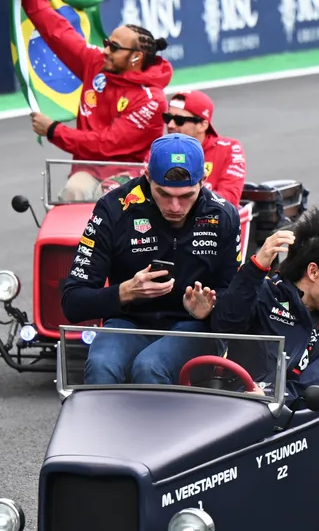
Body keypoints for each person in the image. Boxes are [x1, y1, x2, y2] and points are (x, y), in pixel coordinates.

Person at [61, 133, 242, 385]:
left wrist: (210, 308)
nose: (175, 207)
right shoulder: (113, 208)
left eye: (186, 196)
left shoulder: (223, 215)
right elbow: (72, 303)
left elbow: (237, 303)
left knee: (149, 367)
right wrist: (125, 292)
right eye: (164, 194)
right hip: (128, 322)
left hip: (192, 325)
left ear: (203, 181)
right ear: (147, 177)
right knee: (102, 365)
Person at [6, 0, 172, 202]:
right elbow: (58, 32)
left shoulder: (152, 100)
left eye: (114, 48)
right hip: (88, 168)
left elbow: (107, 144)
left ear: (136, 57)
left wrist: (54, 130)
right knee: (72, 193)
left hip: (131, 174)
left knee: (110, 199)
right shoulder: (95, 63)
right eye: (107, 43)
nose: (105, 50)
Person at [210, 209, 319, 402]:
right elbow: (224, 326)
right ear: (313, 272)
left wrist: (274, 397)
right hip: (231, 403)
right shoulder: (263, 294)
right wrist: (255, 270)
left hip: (286, 414)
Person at [155, 90, 247, 207]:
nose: (170, 125)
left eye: (179, 120)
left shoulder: (230, 149)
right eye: (168, 118)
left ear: (202, 125)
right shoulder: (159, 149)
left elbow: (229, 200)